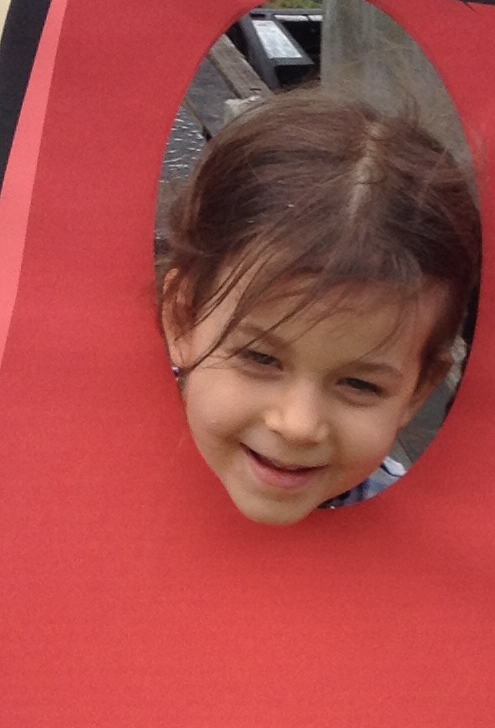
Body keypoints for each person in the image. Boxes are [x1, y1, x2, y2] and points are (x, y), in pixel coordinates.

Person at [156, 91, 478, 527]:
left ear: (419, 390)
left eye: (360, 384)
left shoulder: (414, 535)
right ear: (183, 320)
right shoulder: (96, 448)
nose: (298, 425)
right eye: (260, 358)